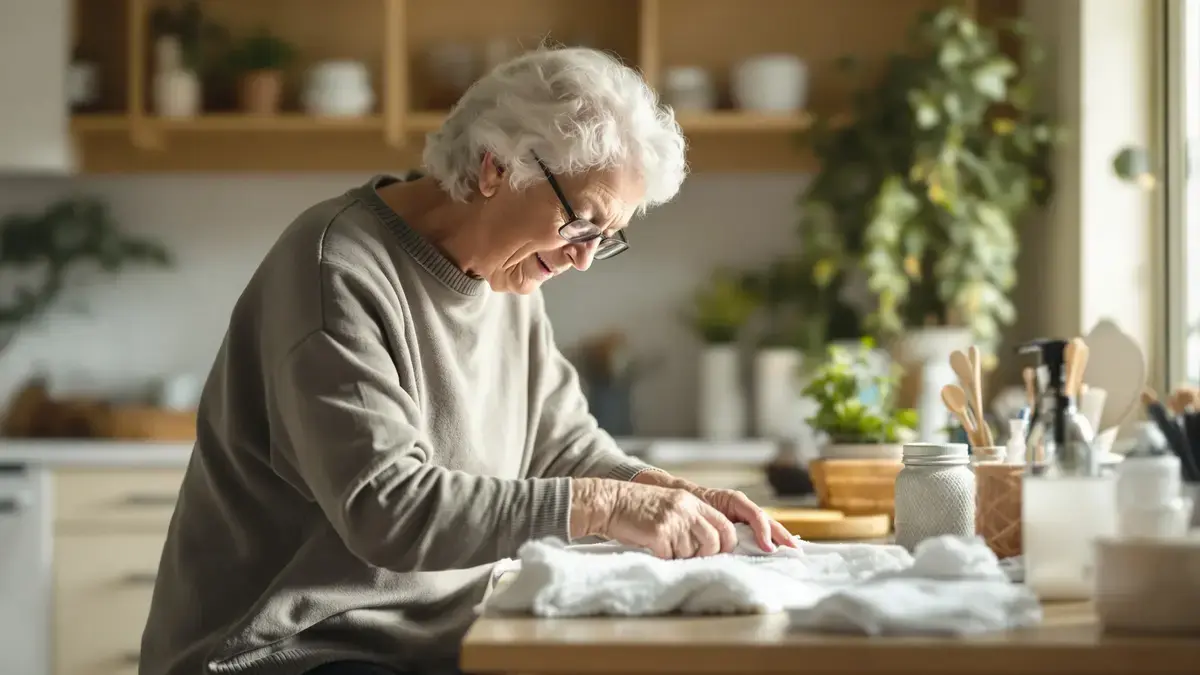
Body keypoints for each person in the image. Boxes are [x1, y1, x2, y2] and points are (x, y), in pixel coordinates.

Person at [138, 46, 794, 675]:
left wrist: (677, 494)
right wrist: (601, 504)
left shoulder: (509, 279)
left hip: (434, 645)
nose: (585, 257)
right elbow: (387, 507)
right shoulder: (336, 267)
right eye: (581, 223)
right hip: (288, 652)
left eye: (606, 236)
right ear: (494, 168)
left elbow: (563, 448)